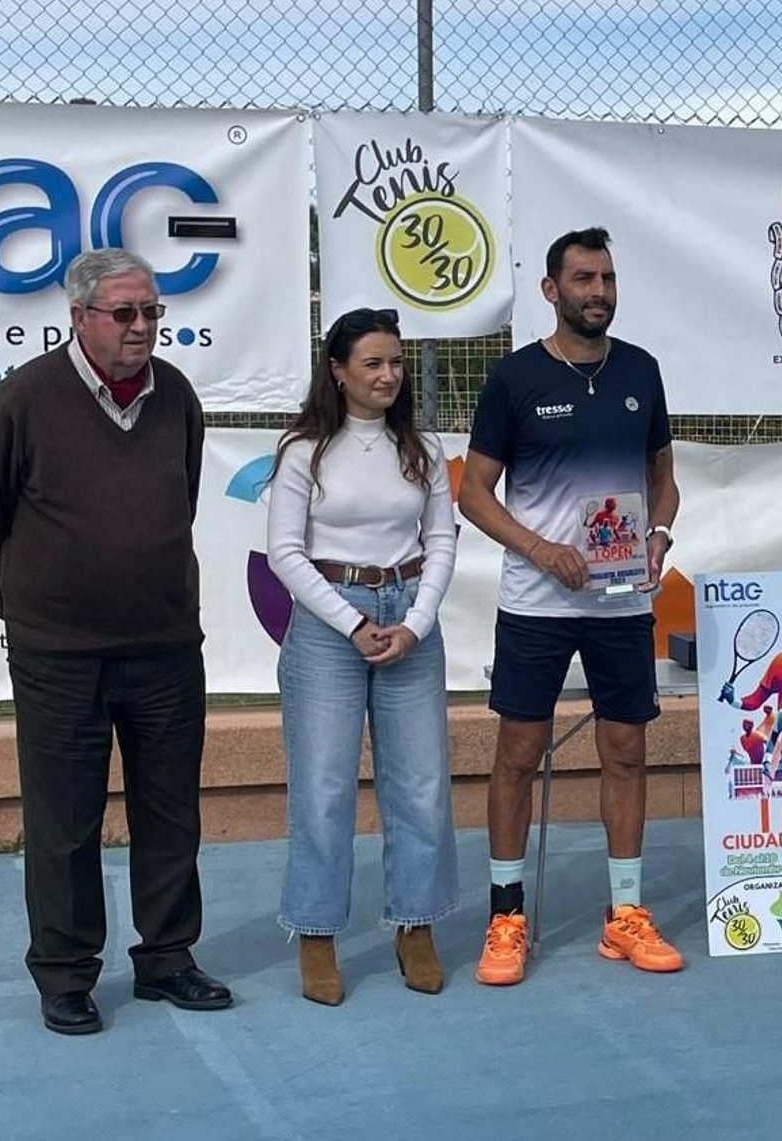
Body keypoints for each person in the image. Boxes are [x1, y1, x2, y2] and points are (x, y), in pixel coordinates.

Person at [0, 249, 228, 1034]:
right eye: (125, 314)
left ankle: (169, 957)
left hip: (167, 645)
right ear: (79, 318)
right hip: (59, 655)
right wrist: (25, 602)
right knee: (65, 820)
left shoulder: (175, 396)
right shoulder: (26, 398)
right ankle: (67, 974)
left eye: (152, 313)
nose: (142, 328)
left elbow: (184, 492)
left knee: (169, 810)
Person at [459, 227, 681, 985]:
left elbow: (664, 477)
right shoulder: (515, 379)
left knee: (625, 752)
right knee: (518, 755)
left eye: (608, 278)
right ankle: (506, 916)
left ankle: (625, 916)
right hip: (536, 602)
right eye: (584, 278)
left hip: (623, 603)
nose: (599, 291)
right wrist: (538, 548)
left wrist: (656, 531)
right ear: (551, 290)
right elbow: (473, 493)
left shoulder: (642, 371)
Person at [265, 307, 460, 1004]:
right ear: (337, 371)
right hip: (327, 629)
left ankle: (417, 923)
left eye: (397, 362)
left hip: (410, 619)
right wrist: (352, 623)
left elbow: (442, 540)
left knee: (421, 784)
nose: (388, 375)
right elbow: (286, 551)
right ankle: (317, 934)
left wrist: (415, 620)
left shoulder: (426, 450)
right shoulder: (303, 452)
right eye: (372, 362)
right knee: (323, 787)